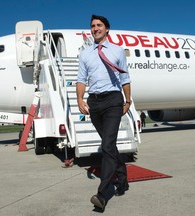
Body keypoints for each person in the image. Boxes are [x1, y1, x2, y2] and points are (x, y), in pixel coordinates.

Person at [76, 14, 131, 211]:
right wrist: (80, 99)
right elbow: (81, 79)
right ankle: (123, 180)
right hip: (95, 102)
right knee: (110, 146)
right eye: (92, 26)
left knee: (107, 145)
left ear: (107, 29)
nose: (95, 28)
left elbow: (125, 77)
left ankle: (102, 194)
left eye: (99, 25)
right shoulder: (85, 54)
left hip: (113, 101)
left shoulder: (117, 51)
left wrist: (128, 100)